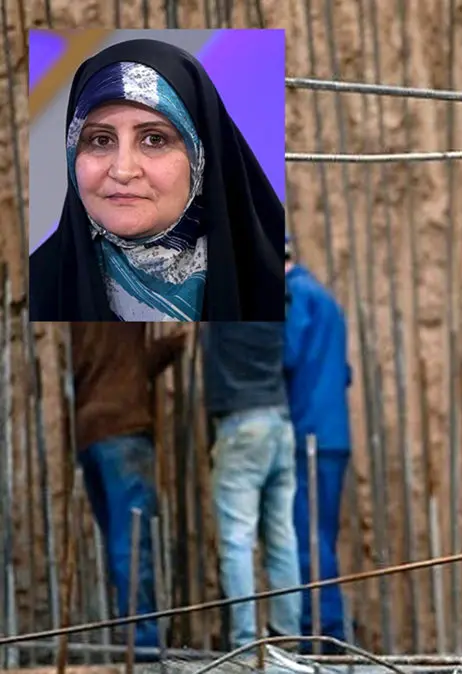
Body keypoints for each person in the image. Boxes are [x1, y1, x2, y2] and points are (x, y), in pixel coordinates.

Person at [29, 38, 284, 322]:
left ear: (200, 156)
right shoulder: (32, 292)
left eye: (154, 139)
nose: (123, 171)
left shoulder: (282, 291)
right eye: (100, 140)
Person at [70, 322, 186, 657]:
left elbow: (114, 365)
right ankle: (145, 643)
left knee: (118, 541)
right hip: (124, 427)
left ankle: (131, 633)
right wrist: (175, 344)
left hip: (89, 431)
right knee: (132, 541)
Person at [202, 321, 301, 649]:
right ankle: (287, 639)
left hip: (242, 425)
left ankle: (245, 643)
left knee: (237, 540)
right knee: (282, 539)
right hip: (279, 422)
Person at [282, 235, 354, 650]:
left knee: (309, 537)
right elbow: (343, 371)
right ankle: (327, 628)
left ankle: (324, 634)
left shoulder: (293, 297)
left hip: (307, 433)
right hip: (333, 434)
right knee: (321, 533)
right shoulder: (327, 300)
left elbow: (288, 355)